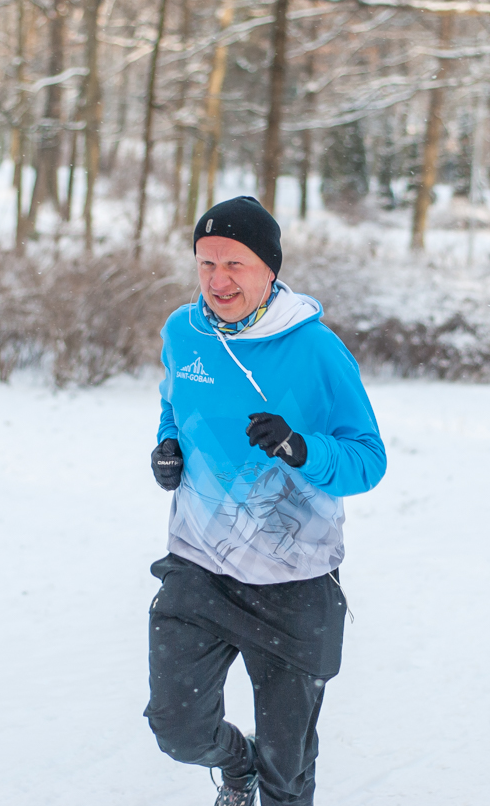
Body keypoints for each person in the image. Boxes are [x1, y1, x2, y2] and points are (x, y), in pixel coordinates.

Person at [145, 196, 387, 806]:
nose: (217, 280)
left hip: (293, 583)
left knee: (289, 771)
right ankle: (237, 765)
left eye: (235, 264)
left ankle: (269, 774)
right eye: (206, 263)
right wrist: (168, 446)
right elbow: (174, 408)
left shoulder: (316, 350)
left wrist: (302, 449)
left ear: (270, 269)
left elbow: (368, 459)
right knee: (178, 728)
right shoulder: (183, 332)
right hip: (199, 568)